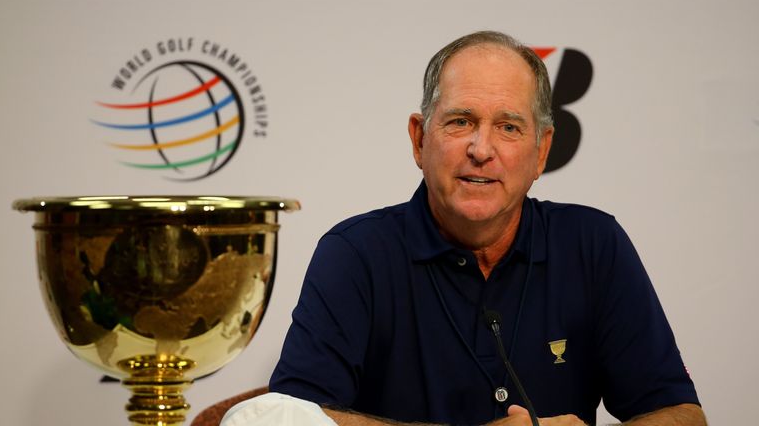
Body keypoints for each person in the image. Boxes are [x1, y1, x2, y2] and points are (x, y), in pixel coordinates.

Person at [269, 31, 705, 425]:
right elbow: (288, 420)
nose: (481, 149)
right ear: (419, 140)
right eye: (461, 121)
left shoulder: (593, 245)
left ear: (541, 152)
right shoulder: (355, 254)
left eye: (508, 127)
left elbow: (682, 414)